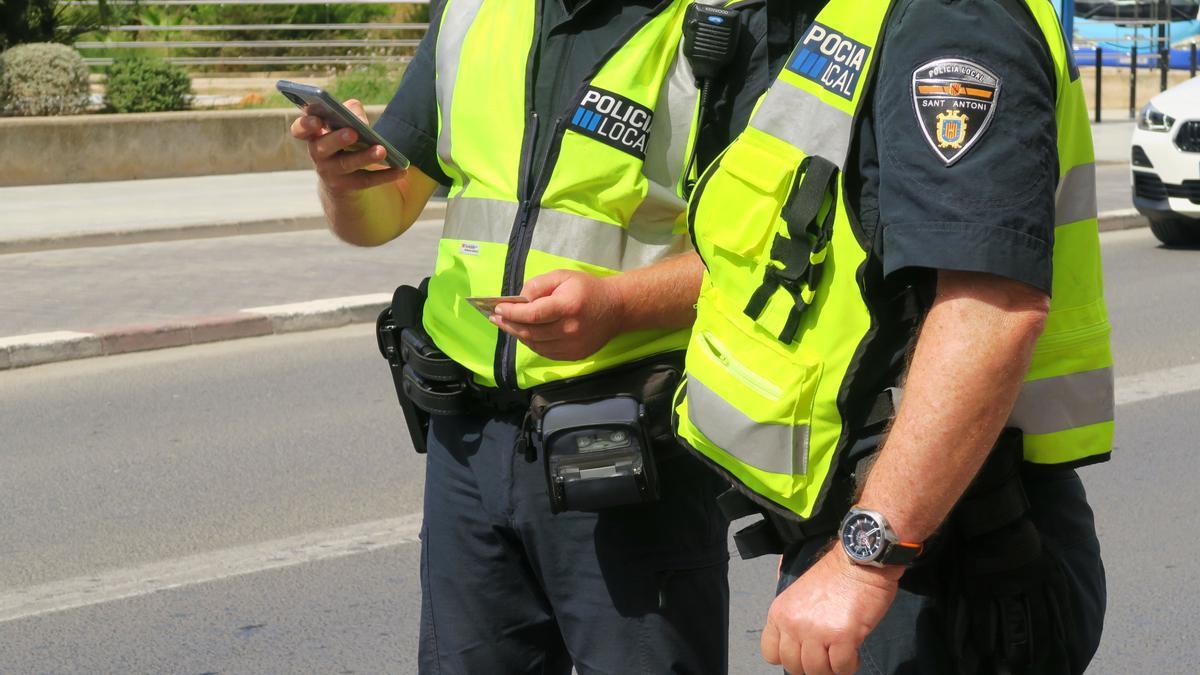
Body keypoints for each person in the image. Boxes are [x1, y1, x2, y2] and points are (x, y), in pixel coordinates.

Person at [290, 1, 756, 673]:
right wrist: (340, 178)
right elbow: (381, 212)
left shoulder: (723, 20)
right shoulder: (474, 11)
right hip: (468, 446)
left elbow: (769, 252)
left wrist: (620, 305)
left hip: (629, 446)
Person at [673, 0, 1112, 673]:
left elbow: (990, 308)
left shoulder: (956, 19)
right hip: (889, 528)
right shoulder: (859, 13)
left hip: (941, 557)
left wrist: (863, 560)